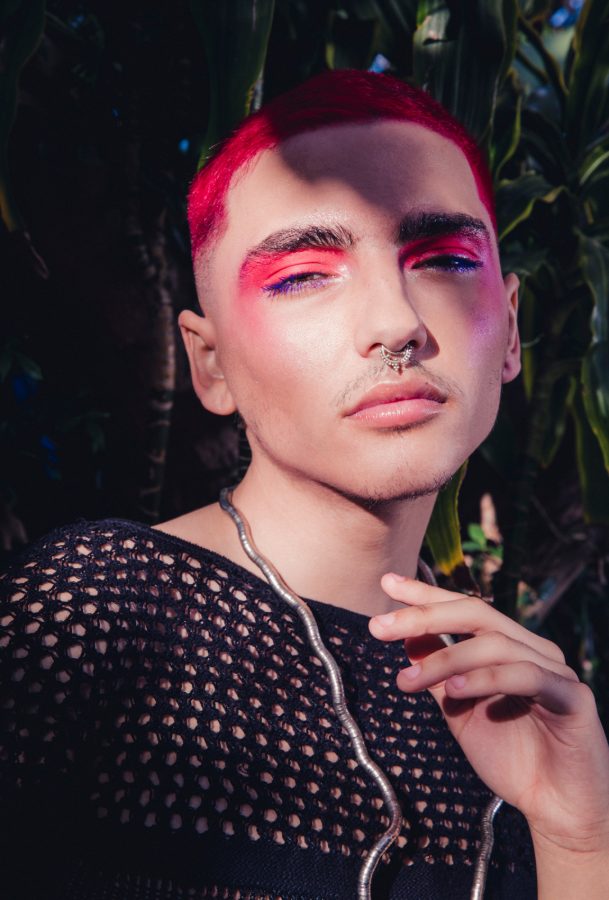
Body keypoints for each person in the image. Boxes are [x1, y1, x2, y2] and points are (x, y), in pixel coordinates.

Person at [1, 70, 608, 900]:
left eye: (442, 259)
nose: (396, 324)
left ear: (507, 331)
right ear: (211, 364)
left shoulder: (517, 702)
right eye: (302, 276)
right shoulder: (92, 611)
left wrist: (579, 838)